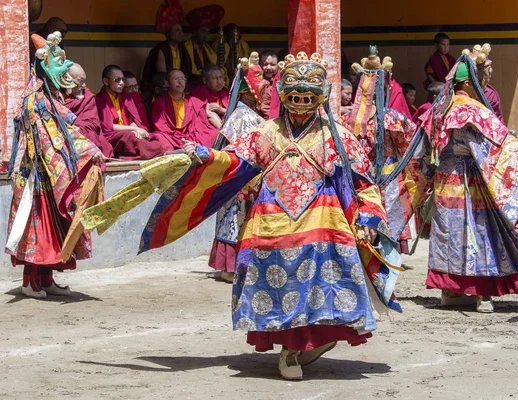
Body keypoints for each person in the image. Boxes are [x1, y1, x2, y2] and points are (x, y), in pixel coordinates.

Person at [83, 51, 402, 380]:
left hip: (323, 220)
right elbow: (234, 161)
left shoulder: (336, 137)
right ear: (284, 95)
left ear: (320, 97)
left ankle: (310, 341)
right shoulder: (266, 133)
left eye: (309, 96)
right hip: (270, 221)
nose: (302, 102)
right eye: (295, 95)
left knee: (322, 283)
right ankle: (290, 349)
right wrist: (207, 155)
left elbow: (362, 180)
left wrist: (368, 219)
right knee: (279, 282)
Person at [396, 44, 518, 312]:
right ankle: (481, 292)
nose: (485, 83)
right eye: (482, 78)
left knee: (450, 233)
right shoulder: (473, 110)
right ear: (471, 82)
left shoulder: (437, 109)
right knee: (478, 231)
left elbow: (423, 151)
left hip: (445, 182)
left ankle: (452, 292)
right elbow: (499, 146)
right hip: (472, 182)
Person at [7, 32, 104, 299]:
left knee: (53, 228)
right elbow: (60, 137)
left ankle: (46, 278)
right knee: (37, 229)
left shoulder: (47, 97)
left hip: (50, 172)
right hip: (36, 177)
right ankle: (30, 282)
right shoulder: (37, 100)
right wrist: (90, 150)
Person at [340, 47, 418, 256]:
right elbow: (411, 148)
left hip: (357, 180)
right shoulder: (392, 118)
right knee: (387, 233)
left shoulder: (345, 121)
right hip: (388, 179)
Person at [208, 53, 268, 282]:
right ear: (247, 92)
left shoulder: (250, 115)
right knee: (232, 221)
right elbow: (230, 147)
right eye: (260, 89)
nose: (263, 93)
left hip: (251, 178)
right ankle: (229, 268)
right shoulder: (241, 115)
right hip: (238, 178)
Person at [96, 65, 166, 160]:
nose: (121, 83)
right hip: (113, 136)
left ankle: (149, 150)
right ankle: (150, 152)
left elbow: (132, 119)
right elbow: (107, 127)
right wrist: (132, 129)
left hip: (129, 133)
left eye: (123, 80)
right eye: (117, 80)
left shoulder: (126, 97)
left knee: (156, 137)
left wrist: (136, 128)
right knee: (129, 137)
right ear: (106, 81)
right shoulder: (99, 99)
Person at [151, 69, 219, 150]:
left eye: (182, 79)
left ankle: (195, 149)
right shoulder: (159, 103)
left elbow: (208, 116)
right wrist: (178, 136)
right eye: (176, 79)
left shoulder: (194, 101)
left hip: (191, 134)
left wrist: (223, 130)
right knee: (160, 138)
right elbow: (160, 126)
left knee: (214, 133)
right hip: (172, 136)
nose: (180, 82)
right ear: (167, 83)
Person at [60, 63, 114, 158]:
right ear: (67, 79)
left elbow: (93, 122)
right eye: (80, 81)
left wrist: (79, 128)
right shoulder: (55, 97)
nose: (84, 85)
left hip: (87, 135)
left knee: (92, 136)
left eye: (84, 80)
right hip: (64, 139)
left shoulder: (87, 95)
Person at [140, 0, 186, 107]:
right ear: (168, 33)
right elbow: (162, 74)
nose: (180, 33)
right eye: (176, 30)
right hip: (165, 82)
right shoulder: (161, 49)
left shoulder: (182, 49)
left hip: (178, 80)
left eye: (181, 30)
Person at [183, 5, 223, 87]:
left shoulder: (207, 50)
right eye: (202, 31)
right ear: (194, 32)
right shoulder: (185, 48)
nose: (205, 35)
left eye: (207, 32)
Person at [191, 64, 230, 129]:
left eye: (221, 77)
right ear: (205, 80)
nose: (219, 82)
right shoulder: (198, 94)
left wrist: (221, 110)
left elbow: (238, 111)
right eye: (215, 78)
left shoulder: (227, 93)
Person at [258, 50, 279, 118]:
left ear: (278, 65)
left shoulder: (281, 82)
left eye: (273, 65)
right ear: (260, 65)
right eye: (265, 64)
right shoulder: (254, 81)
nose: (268, 68)